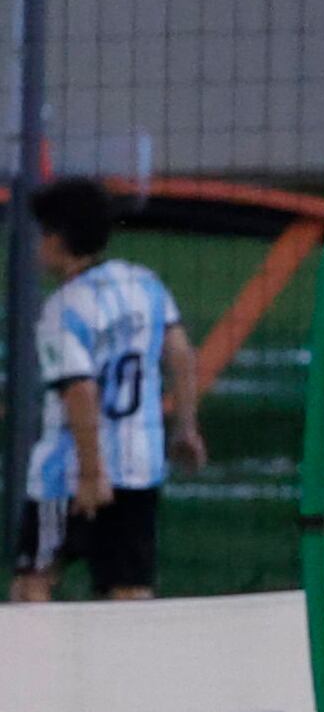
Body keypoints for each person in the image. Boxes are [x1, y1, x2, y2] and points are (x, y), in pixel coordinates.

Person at [13, 178, 199, 601]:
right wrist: (186, 427)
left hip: (70, 475)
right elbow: (182, 355)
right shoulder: (144, 284)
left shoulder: (61, 311)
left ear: (56, 239)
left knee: (33, 584)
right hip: (139, 467)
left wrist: (92, 474)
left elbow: (80, 391)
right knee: (129, 595)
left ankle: (42, 667)